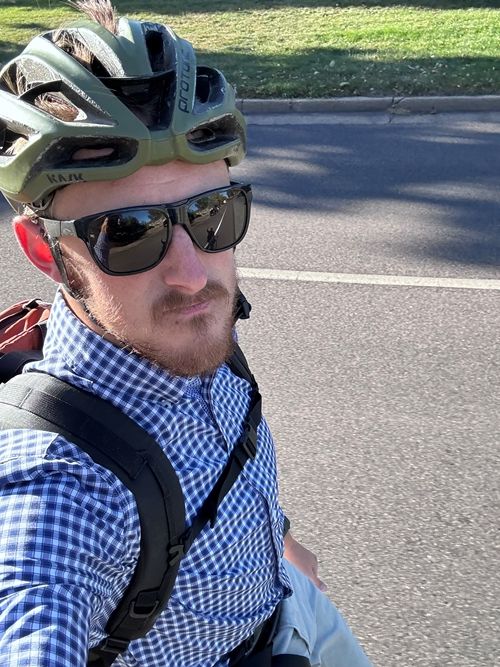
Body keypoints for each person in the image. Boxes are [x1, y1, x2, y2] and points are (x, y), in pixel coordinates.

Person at [0, 2, 372, 665]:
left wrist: (279, 543)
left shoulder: (187, 324)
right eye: (129, 232)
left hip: (293, 609)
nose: (193, 273)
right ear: (43, 250)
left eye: (211, 213)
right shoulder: (56, 486)